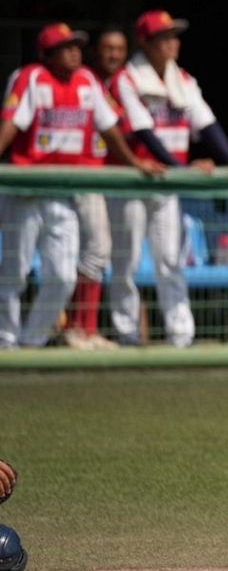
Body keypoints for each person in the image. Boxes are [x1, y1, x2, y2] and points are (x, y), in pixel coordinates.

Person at [0, 23, 161, 350]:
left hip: (65, 190)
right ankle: (6, 341)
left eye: (77, 45)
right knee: (14, 272)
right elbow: (12, 123)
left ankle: (31, 341)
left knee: (63, 275)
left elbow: (110, 128)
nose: (75, 51)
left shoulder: (87, 80)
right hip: (27, 188)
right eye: (66, 46)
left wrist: (133, 162)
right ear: (48, 54)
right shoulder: (31, 76)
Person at [106, 10, 228, 348]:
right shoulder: (126, 79)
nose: (173, 43)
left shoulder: (183, 79)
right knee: (125, 260)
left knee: (170, 258)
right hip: (132, 181)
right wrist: (181, 167)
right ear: (145, 43)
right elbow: (144, 132)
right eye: (164, 37)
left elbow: (207, 124)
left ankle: (181, 334)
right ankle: (127, 332)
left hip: (167, 184)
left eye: (174, 36)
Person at [63, 25, 131, 351]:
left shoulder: (113, 83)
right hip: (78, 175)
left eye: (119, 49)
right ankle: (77, 328)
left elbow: (122, 127)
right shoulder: (86, 79)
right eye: (107, 48)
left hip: (103, 178)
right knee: (86, 252)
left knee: (98, 253)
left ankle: (85, 328)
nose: (113, 55)